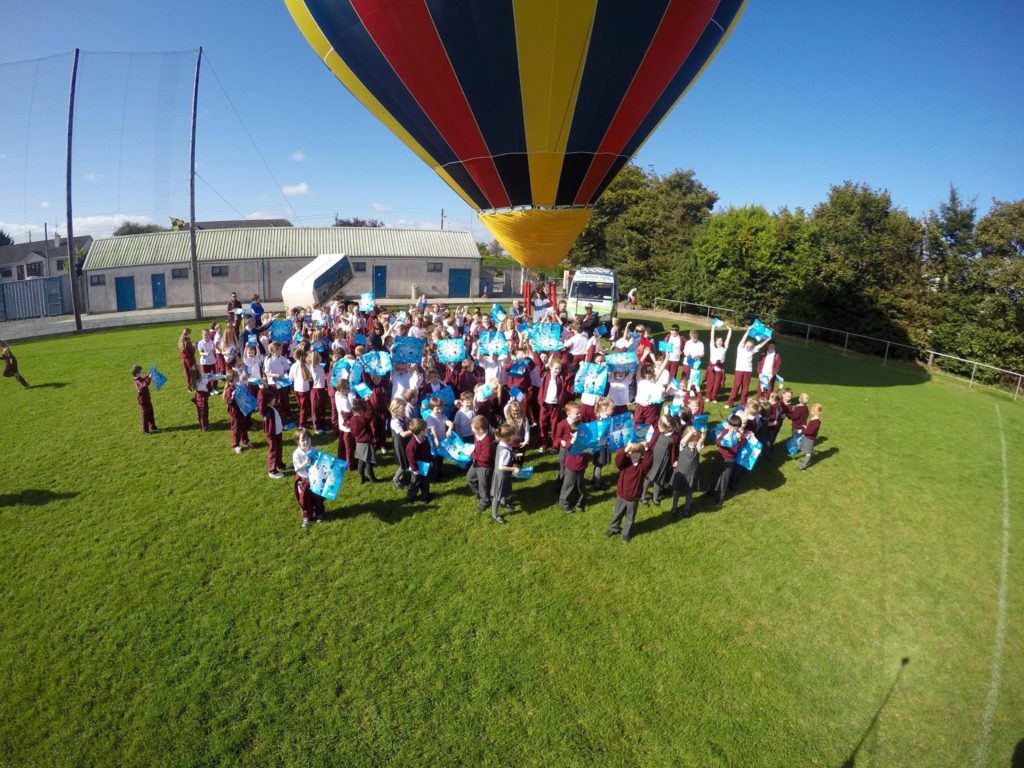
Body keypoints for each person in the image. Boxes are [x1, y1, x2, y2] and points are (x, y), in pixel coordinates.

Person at [604, 441, 653, 544]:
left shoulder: (642, 467)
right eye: (632, 453)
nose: (635, 456)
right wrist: (625, 449)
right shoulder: (625, 463)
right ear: (629, 453)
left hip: (633, 497)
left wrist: (647, 448)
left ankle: (626, 534)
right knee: (617, 513)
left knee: (630, 517)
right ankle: (614, 528)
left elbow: (649, 461)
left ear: (642, 455)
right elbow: (618, 460)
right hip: (621, 495)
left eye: (638, 454)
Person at [726, 325, 771, 408]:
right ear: (745, 343)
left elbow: (760, 345)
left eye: (750, 346)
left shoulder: (752, 350)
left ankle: (743, 403)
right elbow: (743, 339)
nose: (748, 347)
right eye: (748, 345)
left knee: (745, 387)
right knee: (736, 386)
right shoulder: (740, 348)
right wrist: (748, 330)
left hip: (748, 371)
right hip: (739, 370)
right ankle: (730, 403)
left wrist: (767, 339)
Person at [640, 414, 678, 506]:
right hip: (652, 458)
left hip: (664, 461)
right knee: (648, 478)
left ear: (668, 428)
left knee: (658, 480)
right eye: (659, 425)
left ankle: (655, 498)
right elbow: (652, 417)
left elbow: (674, 450)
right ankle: (642, 496)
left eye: (661, 427)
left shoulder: (675, 436)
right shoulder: (657, 430)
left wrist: (673, 461)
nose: (659, 427)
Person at [708, 414, 746, 507]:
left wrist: (740, 438)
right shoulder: (725, 431)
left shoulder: (739, 435)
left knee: (724, 480)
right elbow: (718, 441)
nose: (732, 428)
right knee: (714, 473)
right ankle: (710, 490)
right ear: (728, 424)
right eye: (731, 425)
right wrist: (722, 442)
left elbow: (744, 443)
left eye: (735, 426)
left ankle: (720, 499)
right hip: (720, 456)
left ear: (739, 427)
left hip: (730, 459)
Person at [292, 428, 325, 528]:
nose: (306, 442)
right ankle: (307, 516)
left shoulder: (314, 450)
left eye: (308, 439)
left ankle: (319, 512)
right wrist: (305, 462)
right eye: (303, 440)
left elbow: (318, 463)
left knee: (317, 496)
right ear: (298, 441)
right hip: (303, 479)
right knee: (304, 499)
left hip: (315, 478)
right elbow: (296, 468)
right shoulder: (296, 454)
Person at [670, 426, 705, 517]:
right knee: (676, 492)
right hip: (680, 474)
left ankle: (687, 508)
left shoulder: (697, 448)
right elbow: (683, 440)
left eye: (695, 440)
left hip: (691, 474)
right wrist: (690, 433)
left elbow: (701, 441)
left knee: (689, 493)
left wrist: (703, 434)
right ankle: (674, 507)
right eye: (691, 440)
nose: (693, 442)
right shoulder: (682, 446)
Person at [490, 423, 520, 524]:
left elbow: (508, 452)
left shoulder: (504, 443)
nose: (514, 439)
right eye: (513, 437)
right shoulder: (505, 451)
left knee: (504, 490)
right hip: (501, 475)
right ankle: (494, 514)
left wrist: (514, 454)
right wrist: (513, 469)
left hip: (504, 474)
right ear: (507, 439)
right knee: (497, 495)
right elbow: (501, 466)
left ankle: (504, 502)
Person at [467, 415, 495, 513]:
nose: (471, 429)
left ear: (480, 430)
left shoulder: (487, 440)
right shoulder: (477, 435)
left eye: (472, 428)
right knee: (470, 477)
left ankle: (485, 501)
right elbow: (476, 445)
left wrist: (472, 454)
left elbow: (486, 458)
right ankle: (479, 493)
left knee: (483, 485)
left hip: (484, 466)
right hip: (477, 463)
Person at [349, 398, 379, 483]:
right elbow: (371, 411)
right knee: (368, 462)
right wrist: (367, 400)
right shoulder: (363, 418)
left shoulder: (352, 420)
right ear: (361, 410)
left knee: (361, 461)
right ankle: (373, 479)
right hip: (366, 444)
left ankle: (362, 478)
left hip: (358, 443)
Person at [405, 418, 433, 504]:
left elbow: (428, 450)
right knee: (415, 484)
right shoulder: (412, 445)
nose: (427, 429)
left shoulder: (424, 438)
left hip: (425, 466)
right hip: (417, 468)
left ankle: (425, 497)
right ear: (421, 431)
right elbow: (411, 458)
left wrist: (430, 460)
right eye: (426, 428)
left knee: (425, 482)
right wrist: (415, 469)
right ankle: (410, 498)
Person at [260, 387, 286, 479]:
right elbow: (262, 397)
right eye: (273, 399)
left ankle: (279, 463)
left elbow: (275, 392)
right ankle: (272, 471)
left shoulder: (273, 407)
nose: (275, 399)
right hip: (272, 434)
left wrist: (267, 386)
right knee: (273, 451)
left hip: (278, 432)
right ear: (267, 402)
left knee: (279, 448)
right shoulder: (266, 411)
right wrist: (262, 388)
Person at [706, 324, 732, 402]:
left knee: (717, 384)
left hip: (720, 369)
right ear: (715, 341)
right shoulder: (712, 347)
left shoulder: (724, 348)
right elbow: (712, 337)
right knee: (710, 383)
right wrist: (713, 327)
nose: (719, 342)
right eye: (718, 340)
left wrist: (730, 330)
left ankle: (714, 397)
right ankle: (708, 397)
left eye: (721, 341)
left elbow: (728, 339)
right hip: (712, 368)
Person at [131, 365, 157, 433]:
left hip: (147, 399)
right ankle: (145, 430)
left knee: (151, 413)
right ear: (137, 374)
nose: (143, 373)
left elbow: (145, 380)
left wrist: (149, 375)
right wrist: (149, 377)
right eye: (141, 372)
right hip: (143, 401)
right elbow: (144, 384)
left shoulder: (140, 379)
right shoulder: (137, 381)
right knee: (145, 415)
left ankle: (153, 426)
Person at [798, 404, 823, 470]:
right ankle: (805, 461)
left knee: (808, 453)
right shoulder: (815, 419)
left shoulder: (816, 422)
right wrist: (806, 427)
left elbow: (810, 431)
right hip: (808, 437)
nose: (811, 411)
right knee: (807, 450)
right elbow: (810, 429)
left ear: (815, 412)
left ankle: (803, 465)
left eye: (812, 410)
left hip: (810, 438)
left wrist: (802, 431)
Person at [189, 365, 211, 431]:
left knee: (200, 413)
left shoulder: (194, 379)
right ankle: (205, 427)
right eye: (200, 370)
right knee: (204, 413)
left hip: (198, 397)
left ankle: (203, 425)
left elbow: (202, 376)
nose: (201, 371)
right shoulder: (202, 381)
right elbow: (211, 379)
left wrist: (206, 374)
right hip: (202, 398)